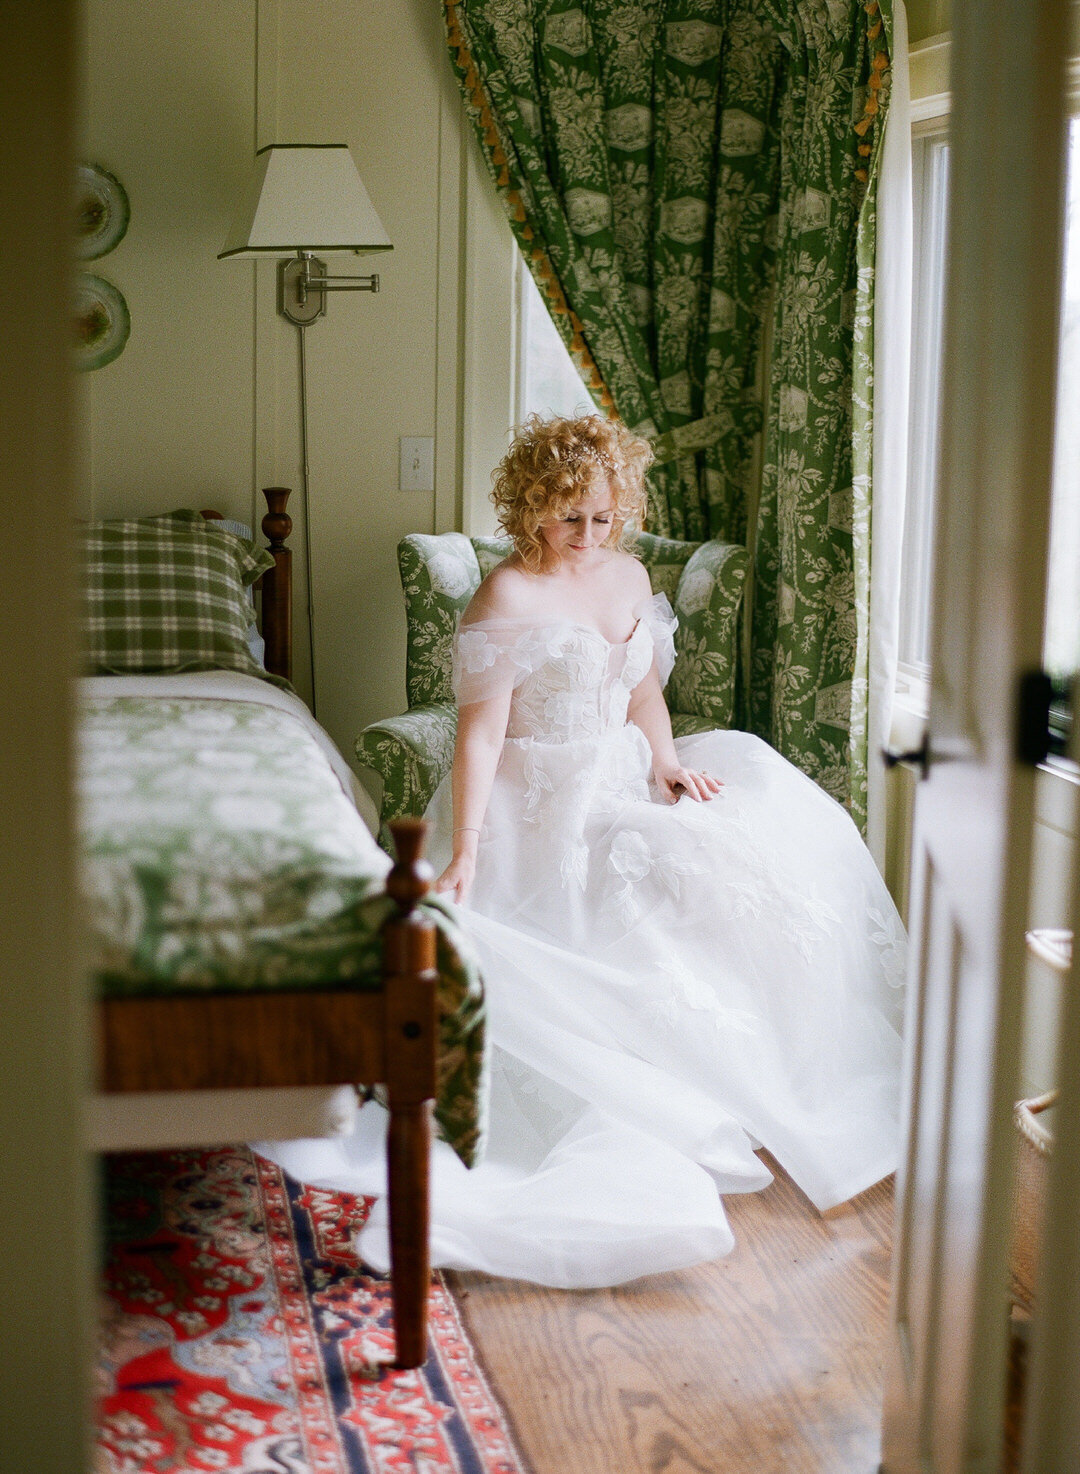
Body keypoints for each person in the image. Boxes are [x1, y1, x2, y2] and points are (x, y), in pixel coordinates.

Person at [266, 413, 907, 1289]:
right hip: (534, 809)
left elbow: (642, 691)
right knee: (616, 901)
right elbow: (482, 738)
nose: (588, 535)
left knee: (757, 827)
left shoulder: (631, 574)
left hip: (624, 775)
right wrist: (470, 849)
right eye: (569, 517)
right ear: (531, 507)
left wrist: (672, 765)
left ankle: (776, 1070)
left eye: (602, 517)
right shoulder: (506, 598)